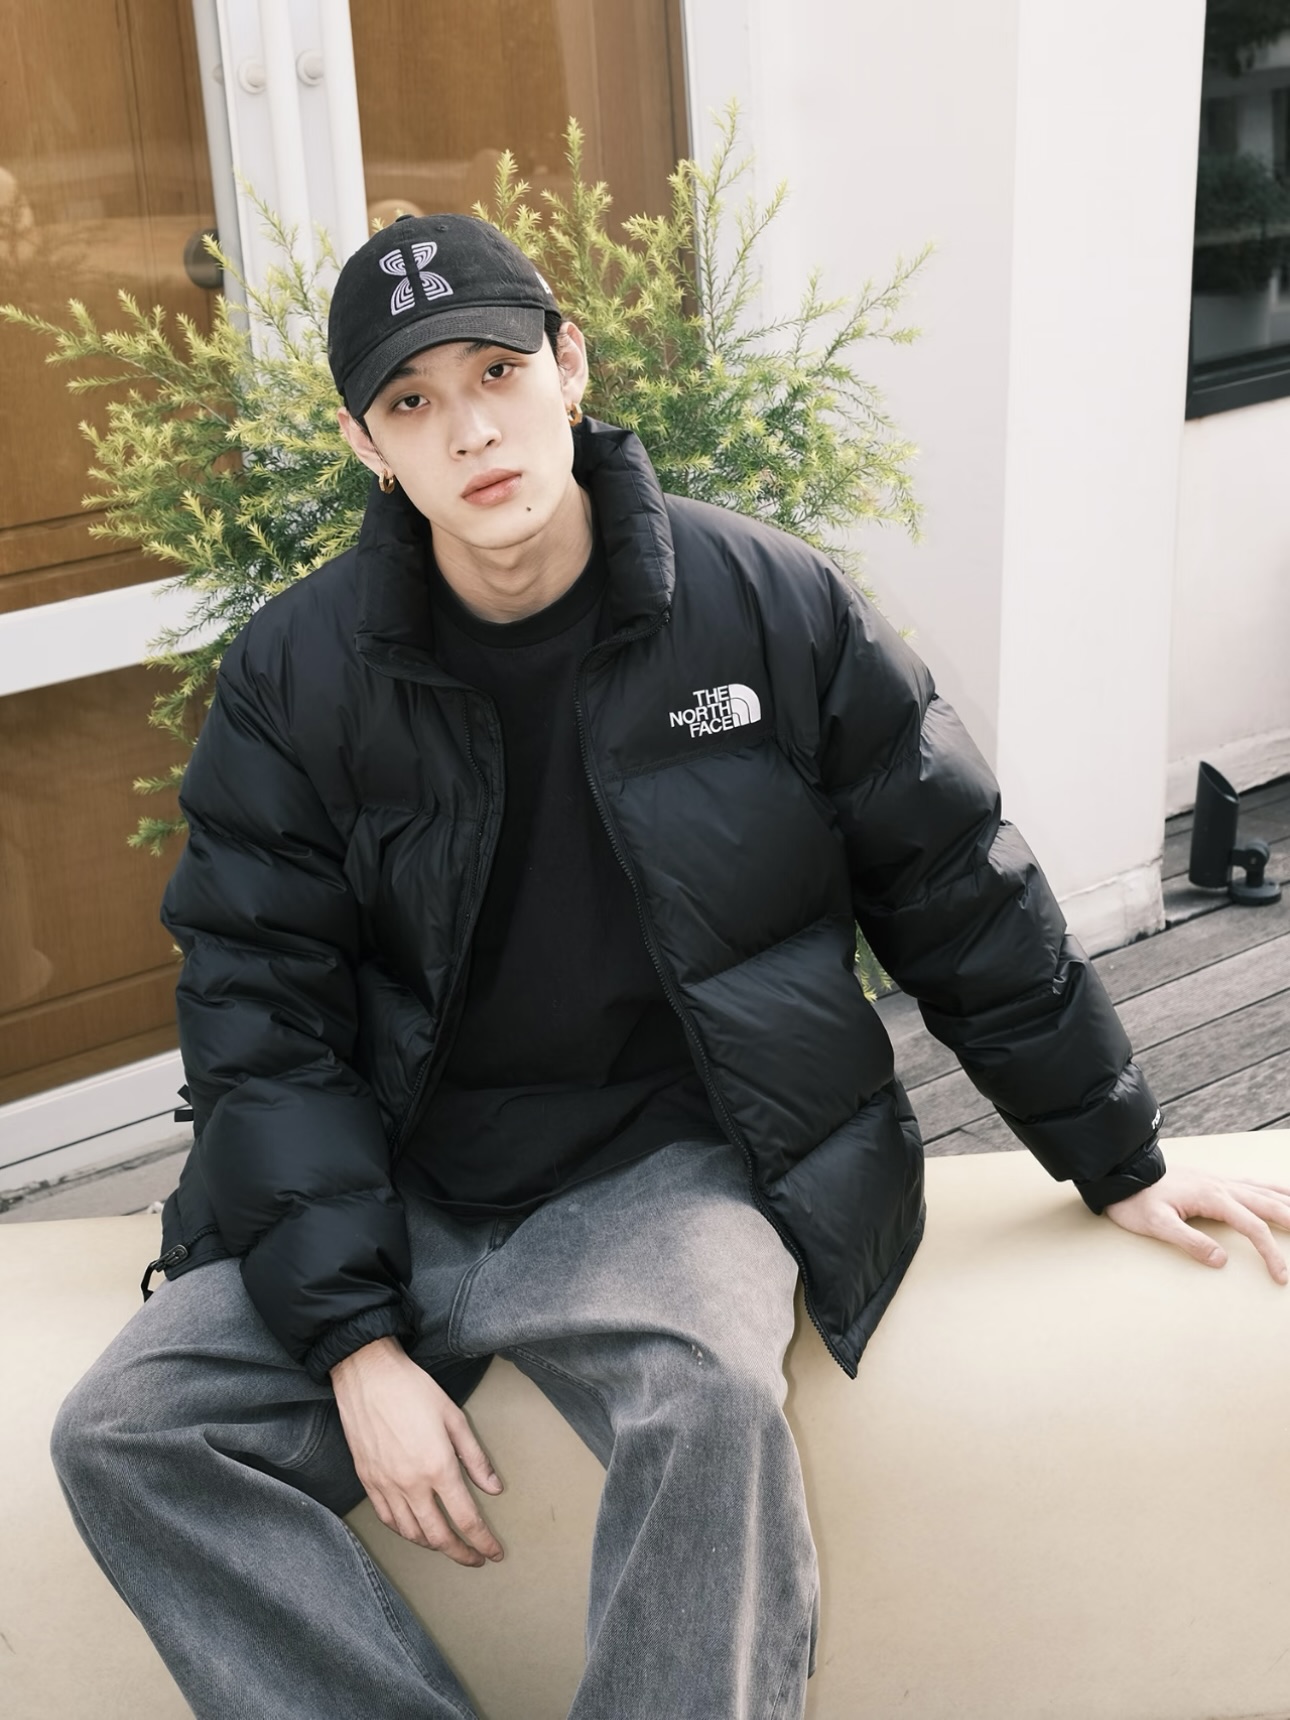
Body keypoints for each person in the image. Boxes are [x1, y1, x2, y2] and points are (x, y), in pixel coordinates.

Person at [51, 214, 1290, 1720]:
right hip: (399, 1167)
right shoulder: (296, 671)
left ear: (569, 366)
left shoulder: (766, 602)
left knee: (707, 1396)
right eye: (411, 401)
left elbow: (953, 886)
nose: (470, 428)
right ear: (367, 446)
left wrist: (1116, 1157)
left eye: (497, 370)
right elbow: (259, 1011)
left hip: (665, 1155)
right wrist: (356, 1343)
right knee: (126, 1433)